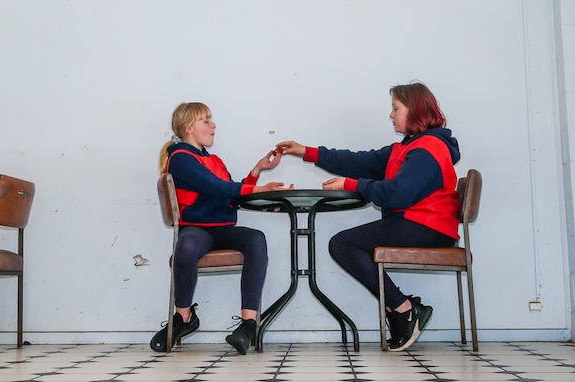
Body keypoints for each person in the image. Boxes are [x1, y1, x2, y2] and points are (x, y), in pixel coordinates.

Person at [276, 81, 461, 352]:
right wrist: (307, 152)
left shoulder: (428, 148)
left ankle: (404, 309)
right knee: (344, 243)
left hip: (428, 226)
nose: (391, 114)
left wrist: (351, 185)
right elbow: (359, 162)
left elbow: (397, 194)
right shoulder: (408, 147)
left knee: (343, 244)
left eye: (396, 108)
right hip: (416, 223)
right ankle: (403, 308)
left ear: (416, 111)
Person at [152, 102, 289, 354]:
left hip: (222, 229)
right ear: (188, 128)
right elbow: (215, 187)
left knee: (256, 239)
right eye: (206, 121)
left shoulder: (213, 160)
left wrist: (257, 171)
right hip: (198, 229)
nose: (213, 125)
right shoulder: (180, 158)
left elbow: (232, 194)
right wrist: (259, 189)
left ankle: (249, 323)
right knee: (187, 244)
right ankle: (183, 317)